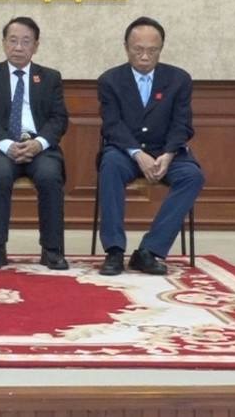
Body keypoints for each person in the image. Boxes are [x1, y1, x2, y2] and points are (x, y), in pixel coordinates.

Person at [96, 16, 204, 276]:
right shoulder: (110, 80)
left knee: (193, 176)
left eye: (152, 51)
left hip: (167, 152)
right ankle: (114, 250)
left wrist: (168, 154)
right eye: (138, 50)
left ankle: (150, 251)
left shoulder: (178, 79)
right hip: (125, 152)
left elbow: (182, 124)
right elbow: (112, 125)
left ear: (161, 49)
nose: (145, 56)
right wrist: (137, 153)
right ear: (126, 47)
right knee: (110, 166)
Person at [0, 16, 69, 271]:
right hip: (2, 148)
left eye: (26, 42)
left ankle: (51, 249)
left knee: (50, 175)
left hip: (39, 148)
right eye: (13, 41)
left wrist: (39, 143)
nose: (18, 47)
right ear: (4, 43)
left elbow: (59, 118)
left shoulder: (50, 78)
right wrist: (7, 145)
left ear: (36, 46)